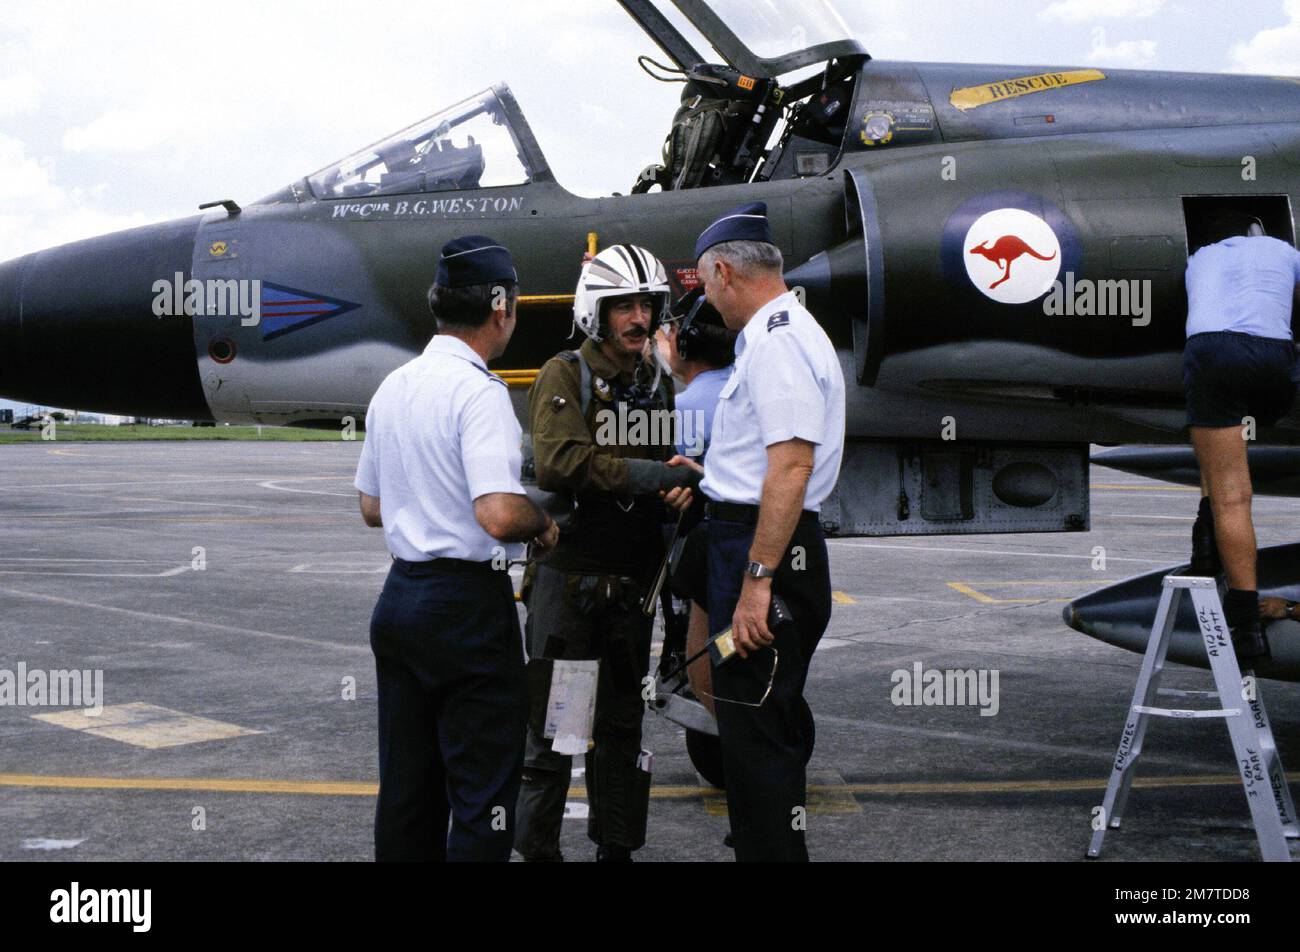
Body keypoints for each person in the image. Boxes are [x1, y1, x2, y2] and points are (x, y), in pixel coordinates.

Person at [355, 235, 558, 862]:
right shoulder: (481, 392)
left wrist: (426, 500)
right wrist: (545, 525)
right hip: (466, 613)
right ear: (500, 307)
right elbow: (498, 513)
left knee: (408, 796)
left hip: (401, 602)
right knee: (481, 800)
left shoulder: (394, 386)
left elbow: (370, 507)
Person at [513, 244, 698, 862]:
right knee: (558, 736)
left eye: (646, 305)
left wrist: (674, 490)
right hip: (573, 596)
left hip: (630, 593)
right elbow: (560, 461)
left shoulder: (655, 383)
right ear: (597, 311)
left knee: (621, 733)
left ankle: (616, 852)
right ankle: (540, 854)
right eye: (624, 306)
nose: (638, 318)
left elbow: (659, 466)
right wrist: (653, 480)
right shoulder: (564, 373)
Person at [690, 201, 846, 862]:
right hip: (750, 542)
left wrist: (756, 582)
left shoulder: (778, 340)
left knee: (760, 741)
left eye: (704, 284)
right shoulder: (778, 333)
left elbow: (790, 466)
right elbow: (768, 457)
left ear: (723, 271)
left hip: (761, 554)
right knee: (752, 733)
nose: (707, 300)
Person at [1183, 215, 1300, 661]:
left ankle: (1246, 624)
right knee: (1257, 417)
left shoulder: (1201, 257)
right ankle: (1206, 540)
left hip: (1210, 351)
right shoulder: (1286, 253)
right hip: (1273, 356)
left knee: (1230, 493)